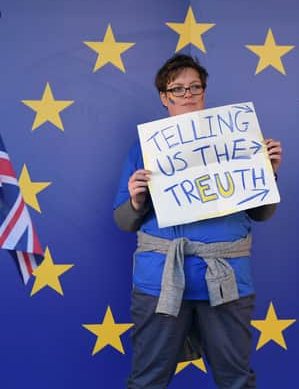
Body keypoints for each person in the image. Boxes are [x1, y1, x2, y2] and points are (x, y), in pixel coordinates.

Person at [113, 54, 282, 389]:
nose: (187, 94)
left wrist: (268, 176)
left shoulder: (240, 144)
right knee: (147, 380)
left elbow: (262, 214)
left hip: (227, 280)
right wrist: (135, 199)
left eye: (194, 87)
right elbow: (124, 222)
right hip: (158, 282)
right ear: (164, 97)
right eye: (177, 89)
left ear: (204, 92)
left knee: (236, 380)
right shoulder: (143, 150)